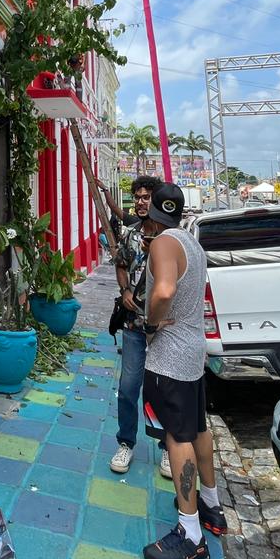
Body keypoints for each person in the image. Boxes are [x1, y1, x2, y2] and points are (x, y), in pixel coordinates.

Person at [139, 182, 227, 559]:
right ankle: (211, 506)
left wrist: (151, 324)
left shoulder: (162, 244)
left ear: (154, 213)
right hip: (193, 352)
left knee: (178, 437)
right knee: (198, 428)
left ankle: (190, 535)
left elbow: (163, 291)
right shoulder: (193, 243)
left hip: (169, 357)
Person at [99, 175, 170, 479]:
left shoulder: (171, 239)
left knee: (164, 389)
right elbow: (121, 264)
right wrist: (125, 290)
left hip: (165, 329)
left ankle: (169, 447)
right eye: (138, 197)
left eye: (146, 197)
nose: (141, 202)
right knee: (128, 388)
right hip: (133, 325)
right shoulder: (129, 234)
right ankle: (126, 442)